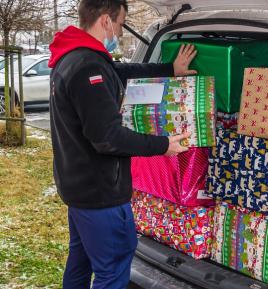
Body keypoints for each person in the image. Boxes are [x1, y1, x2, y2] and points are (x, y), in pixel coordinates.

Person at [47, 0, 197, 288]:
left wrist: (170, 69)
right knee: (113, 268)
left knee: (80, 265)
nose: (119, 30)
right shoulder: (87, 66)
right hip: (100, 194)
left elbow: (119, 72)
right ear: (105, 21)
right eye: (119, 23)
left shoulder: (73, 57)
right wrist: (163, 144)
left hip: (79, 190)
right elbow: (108, 138)